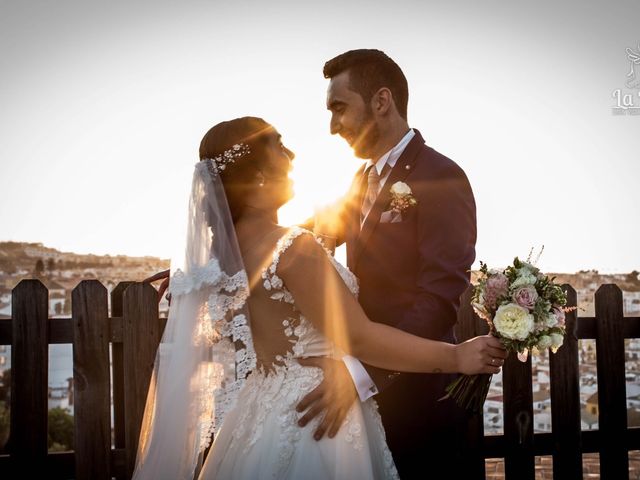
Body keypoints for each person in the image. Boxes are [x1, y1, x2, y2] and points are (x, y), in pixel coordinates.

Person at [133, 117, 505, 479]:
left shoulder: (225, 260)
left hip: (258, 417)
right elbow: (359, 337)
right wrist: (455, 356)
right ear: (259, 177)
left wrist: (197, 270)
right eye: (279, 146)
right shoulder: (295, 248)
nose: (292, 154)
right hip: (318, 416)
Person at [296, 49, 479, 478]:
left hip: (417, 400)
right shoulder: (360, 181)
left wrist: (362, 373)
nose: (331, 126)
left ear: (381, 102)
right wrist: (225, 258)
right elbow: (299, 240)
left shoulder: (441, 177)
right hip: (361, 398)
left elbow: (437, 301)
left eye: (339, 108)